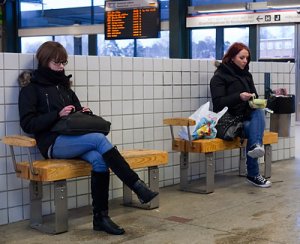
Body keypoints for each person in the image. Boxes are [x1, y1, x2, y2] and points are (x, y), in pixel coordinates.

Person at [18, 41, 158, 235]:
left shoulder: (64, 87)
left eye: (63, 63)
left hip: (73, 139)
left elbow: (76, 116)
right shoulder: (31, 89)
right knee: (98, 139)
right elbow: (27, 124)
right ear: (44, 61)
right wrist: (57, 115)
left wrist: (84, 112)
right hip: (51, 143)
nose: (61, 67)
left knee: (99, 159)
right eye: (57, 63)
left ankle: (101, 218)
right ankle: (137, 186)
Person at [210, 42, 271, 188]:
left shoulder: (246, 75)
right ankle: (253, 173)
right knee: (254, 131)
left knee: (258, 112)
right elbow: (218, 104)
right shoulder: (219, 77)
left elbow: (254, 95)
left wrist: (254, 100)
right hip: (230, 122)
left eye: (247, 58)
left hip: (247, 118)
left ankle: (255, 157)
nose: (245, 61)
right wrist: (239, 97)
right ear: (231, 58)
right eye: (242, 58)